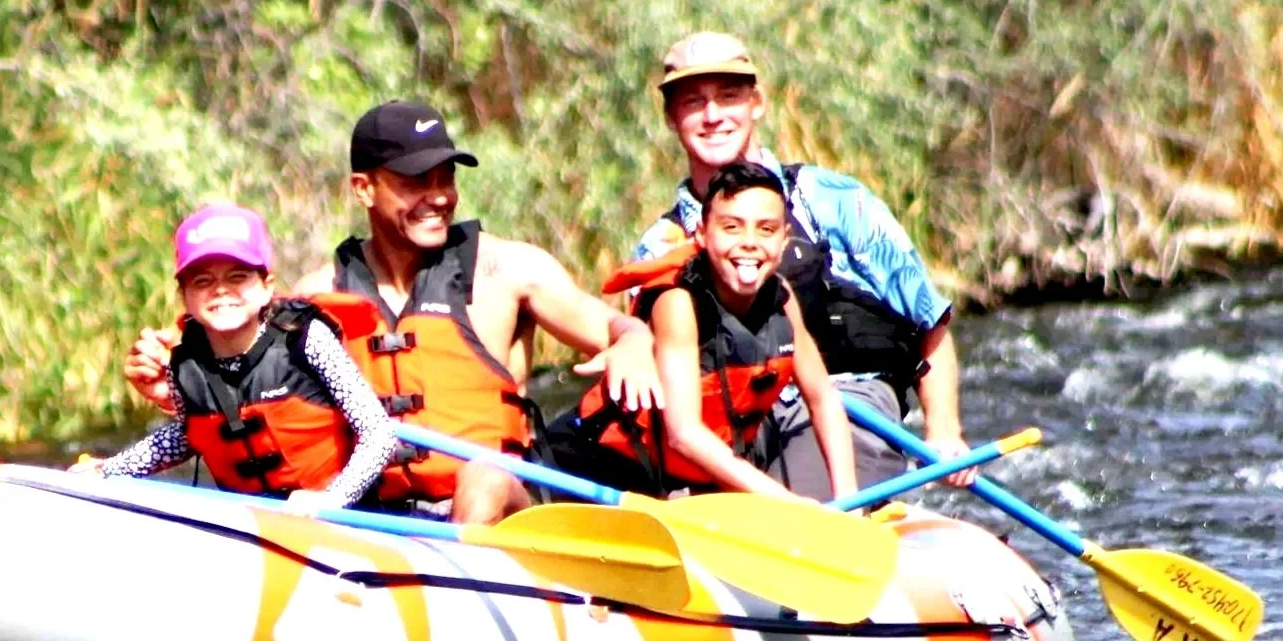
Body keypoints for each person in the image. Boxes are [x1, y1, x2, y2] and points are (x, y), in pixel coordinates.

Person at [123, 102, 661, 524]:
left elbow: (614, 326)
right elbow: (253, 394)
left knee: (484, 477)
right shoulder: (316, 295)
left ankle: (465, 601)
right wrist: (177, 395)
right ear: (364, 189)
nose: (438, 197)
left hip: (501, 512)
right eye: (413, 182)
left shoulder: (507, 270)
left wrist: (633, 339)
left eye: (445, 178)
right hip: (375, 516)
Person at [635, 31, 968, 496]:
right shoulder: (659, 245)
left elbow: (930, 320)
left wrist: (944, 430)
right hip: (731, 423)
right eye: (694, 102)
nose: (713, 116)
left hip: (848, 404)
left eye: (728, 97)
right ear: (672, 117)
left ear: (757, 103)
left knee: (790, 511)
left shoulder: (833, 200)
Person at [542, 160, 856, 500]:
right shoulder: (678, 303)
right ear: (702, 235)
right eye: (732, 227)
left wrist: (850, 503)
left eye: (766, 229)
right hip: (589, 469)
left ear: (783, 241)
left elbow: (822, 398)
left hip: (682, 480)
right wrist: (787, 503)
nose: (749, 242)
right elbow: (684, 434)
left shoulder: (782, 297)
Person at [84, 204, 398, 508]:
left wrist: (333, 499)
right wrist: (111, 469)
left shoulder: (308, 340)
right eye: (203, 281)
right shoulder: (184, 364)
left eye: (237, 277)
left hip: (341, 519)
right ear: (185, 297)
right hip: (250, 523)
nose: (220, 290)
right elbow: (187, 435)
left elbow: (379, 434)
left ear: (266, 287)